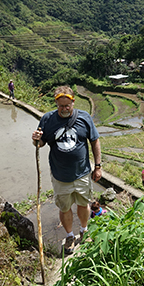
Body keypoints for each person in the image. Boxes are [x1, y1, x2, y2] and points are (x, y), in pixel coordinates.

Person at [31, 85, 102, 255]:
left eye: (67, 106)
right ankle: (70, 235)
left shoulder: (84, 118)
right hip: (60, 175)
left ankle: (84, 231)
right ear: (56, 103)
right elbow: (41, 144)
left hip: (82, 173)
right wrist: (36, 140)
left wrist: (98, 166)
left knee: (83, 204)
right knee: (65, 208)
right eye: (60, 106)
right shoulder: (47, 119)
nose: (64, 109)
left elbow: (95, 141)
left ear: (73, 102)